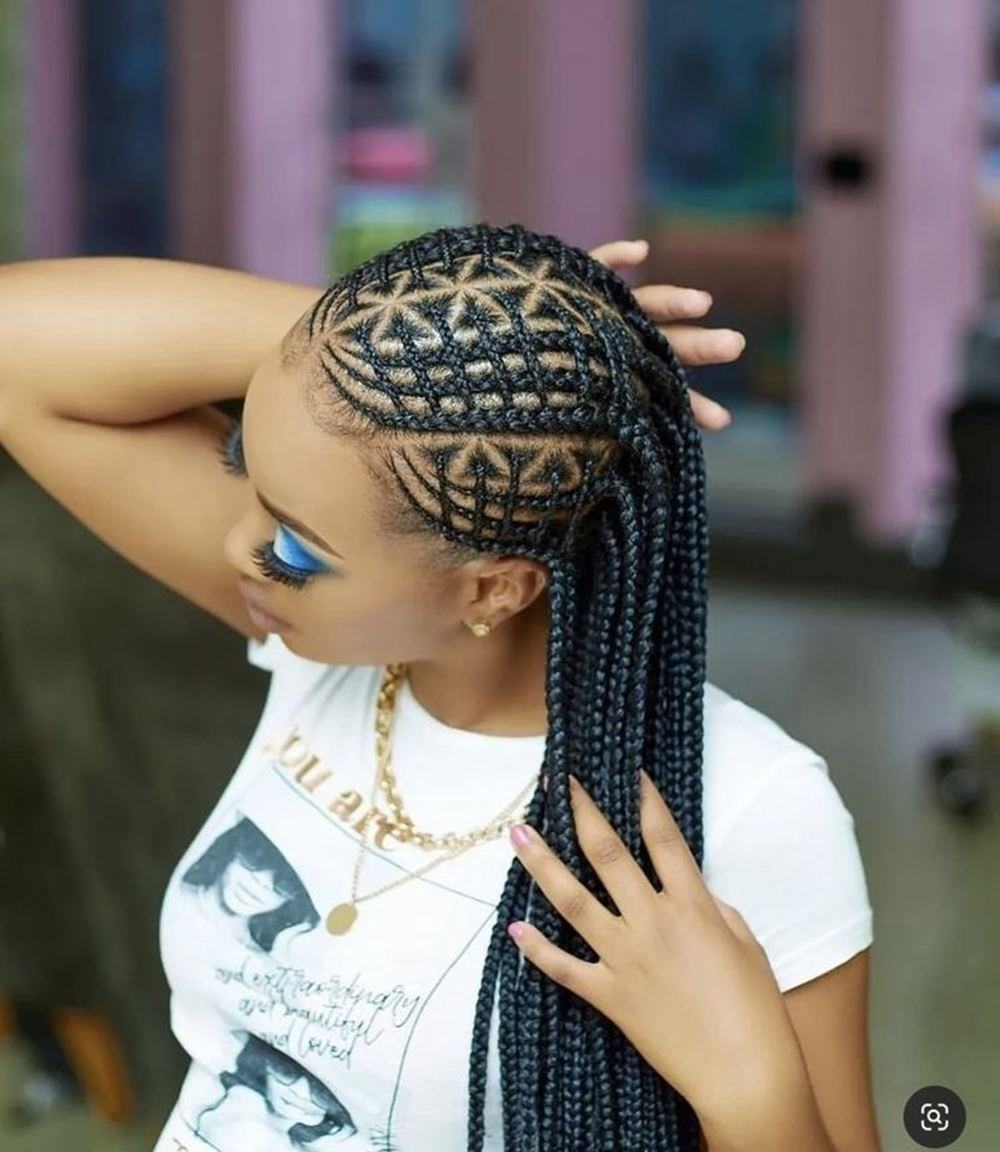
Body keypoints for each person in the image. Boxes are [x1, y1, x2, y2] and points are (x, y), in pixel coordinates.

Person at [0, 226, 879, 1151]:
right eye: (240, 473)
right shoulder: (337, 641)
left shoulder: (752, 805)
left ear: (493, 590)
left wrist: (750, 1087)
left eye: (295, 546)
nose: (236, 545)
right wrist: (457, 343)